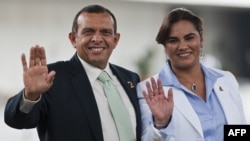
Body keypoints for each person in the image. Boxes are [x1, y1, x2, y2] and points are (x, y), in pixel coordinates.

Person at [4, 4, 141, 141]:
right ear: (73, 39)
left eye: (105, 32)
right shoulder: (51, 78)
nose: (97, 39)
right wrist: (30, 95)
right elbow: (17, 121)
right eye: (88, 32)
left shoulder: (131, 79)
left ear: (115, 40)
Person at [136, 7, 246, 141]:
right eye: (173, 40)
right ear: (165, 47)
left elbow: (239, 130)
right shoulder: (148, 89)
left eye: (189, 38)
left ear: (201, 39)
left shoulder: (226, 80)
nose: (182, 46)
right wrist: (161, 124)